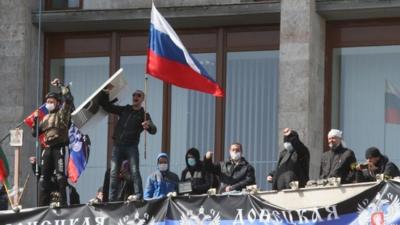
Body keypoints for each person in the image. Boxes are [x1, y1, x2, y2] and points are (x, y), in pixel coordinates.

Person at [99, 88, 157, 201]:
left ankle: (139, 196)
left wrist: (148, 126)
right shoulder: (126, 109)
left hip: (131, 146)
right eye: (134, 94)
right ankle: (112, 200)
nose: (135, 97)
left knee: (135, 171)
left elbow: (154, 130)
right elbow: (108, 107)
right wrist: (105, 94)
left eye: (138, 95)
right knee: (113, 173)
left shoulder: (144, 115)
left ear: (142, 99)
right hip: (118, 145)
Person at [32, 78, 73, 206]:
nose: (49, 103)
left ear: (57, 103)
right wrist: (35, 122)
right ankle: (41, 207)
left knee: (60, 177)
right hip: (47, 149)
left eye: (51, 101)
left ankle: (63, 204)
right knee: (44, 179)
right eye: (47, 101)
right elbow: (35, 134)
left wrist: (60, 85)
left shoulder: (62, 113)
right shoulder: (44, 118)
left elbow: (69, 99)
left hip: (59, 147)